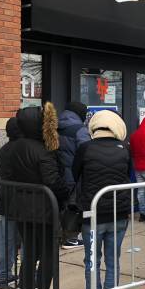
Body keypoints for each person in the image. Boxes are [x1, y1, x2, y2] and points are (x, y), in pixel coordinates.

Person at [0, 103, 68, 289]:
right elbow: (53, 181)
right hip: (44, 209)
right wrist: (65, 194)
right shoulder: (42, 149)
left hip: (20, 210)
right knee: (47, 255)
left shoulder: (10, 149)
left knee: (28, 254)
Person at [73, 110, 132, 289]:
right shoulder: (125, 148)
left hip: (92, 215)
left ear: (94, 127)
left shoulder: (85, 148)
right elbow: (130, 175)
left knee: (91, 262)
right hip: (119, 214)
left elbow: (75, 174)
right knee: (112, 261)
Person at [57, 101, 91, 249]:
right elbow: (87, 153)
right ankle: (70, 239)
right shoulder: (80, 130)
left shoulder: (55, 127)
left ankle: (60, 236)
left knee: (61, 205)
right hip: (74, 175)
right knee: (74, 206)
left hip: (58, 174)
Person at [0, 118, 23, 285]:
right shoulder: (22, 149)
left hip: (5, 200)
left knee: (6, 239)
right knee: (27, 240)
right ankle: (26, 275)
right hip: (22, 201)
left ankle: (3, 274)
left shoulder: (3, 150)